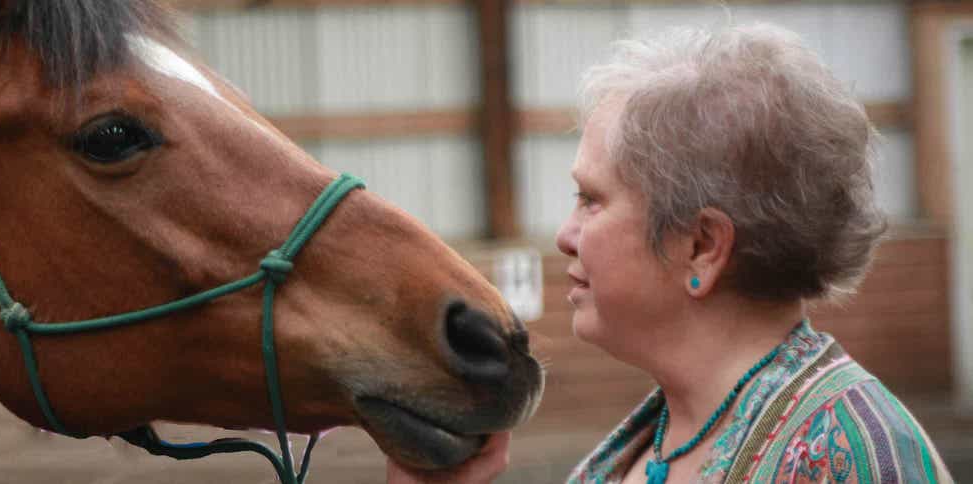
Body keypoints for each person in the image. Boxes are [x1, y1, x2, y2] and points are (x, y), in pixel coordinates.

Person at [388, 22, 955, 483]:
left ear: (703, 247)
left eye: (591, 200)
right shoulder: (620, 462)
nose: (565, 234)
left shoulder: (850, 457)